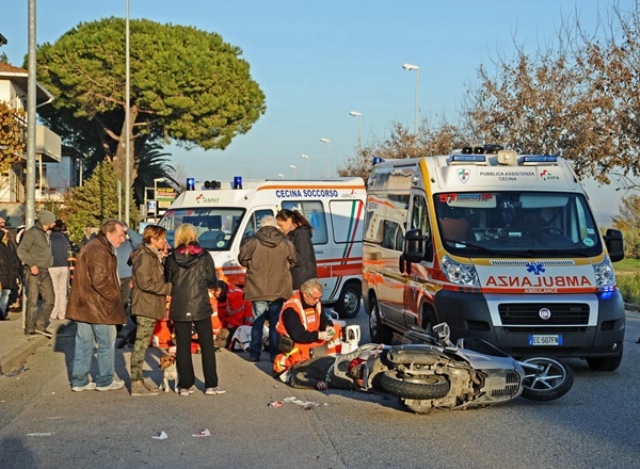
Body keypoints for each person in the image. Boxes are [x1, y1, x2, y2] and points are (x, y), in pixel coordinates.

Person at [66, 219, 128, 392]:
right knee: (106, 343)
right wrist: (115, 298)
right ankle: (105, 380)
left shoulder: (93, 246)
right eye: (120, 235)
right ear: (109, 233)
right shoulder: (99, 250)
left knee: (84, 343)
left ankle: (79, 381)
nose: (123, 239)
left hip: (84, 305)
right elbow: (100, 281)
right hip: (100, 307)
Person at [165, 223, 225, 396]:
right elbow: (211, 279)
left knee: (183, 345)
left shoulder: (172, 258)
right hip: (200, 303)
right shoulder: (204, 255)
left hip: (180, 304)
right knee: (207, 345)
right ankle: (211, 385)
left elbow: (167, 280)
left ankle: (185, 385)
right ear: (194, 235)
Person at [239, 215, 296, 362]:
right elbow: (293, 260)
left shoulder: (252, 241)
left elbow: (242, 259)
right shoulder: (285, 241)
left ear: (261, 225)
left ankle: (254, 353)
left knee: (257, 322)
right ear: (275, 225)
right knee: (274, 322)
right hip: (278, 288)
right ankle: (274, 353)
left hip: (257, 287)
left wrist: (252, 265)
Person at [129, 225, 172, 397]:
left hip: (149, 304)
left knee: (142, 344)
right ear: (152, 239)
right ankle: (136, 382)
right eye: (161, 238)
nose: (164, 241)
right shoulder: (145, 256)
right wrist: (168, 288)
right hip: (145, 305)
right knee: (140, 345)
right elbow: (145, 283)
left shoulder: (152, 254)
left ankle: (139, 381)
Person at [273, 278, 338, 377]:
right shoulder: (291, 308)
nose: (318, 300)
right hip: (297, 344)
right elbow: (298, 336)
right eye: (315, 298)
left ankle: (334, 361)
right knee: (302, 370)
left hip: (312, 338)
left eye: (319, 297)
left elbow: (323, 319)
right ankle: (286, 363)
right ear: (305, 294)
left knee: (337, 329)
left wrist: (328, 326)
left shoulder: (316, 302)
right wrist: (319, 335)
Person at [16, 210, 57, 338]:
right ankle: (29, 328)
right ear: (47, 221)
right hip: (33, 270)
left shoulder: (45, 233)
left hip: (45, 270)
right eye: (53, 221)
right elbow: (21, 250)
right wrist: (31, 264)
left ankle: (40, 324)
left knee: (50, 299)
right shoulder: (33, 233)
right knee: (33, 300)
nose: (55, 223)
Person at [276, 209, 318, 290]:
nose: (280, 229)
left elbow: (301, 257)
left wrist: (285, 259)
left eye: (281, 225)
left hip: (302, 280)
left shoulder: (301, 234)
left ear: (289, 221)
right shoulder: (292, 235)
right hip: (298, 278)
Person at [115, 224, 143, 338]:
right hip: (113, 276)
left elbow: (139, 241)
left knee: (124, 303)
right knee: (115, 303)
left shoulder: (129, 243)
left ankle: (119, 328)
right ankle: (114, 329)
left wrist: (127, 230)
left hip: (126, 277)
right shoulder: (112, 242)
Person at [211, 280, 253, 348]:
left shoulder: (235, 295)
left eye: (217, 291)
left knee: (228, 337)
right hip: (237, 323)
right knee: (224, 335)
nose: (215, 293)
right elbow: (222, 315)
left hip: (245, 324)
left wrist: (227, 329)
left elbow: (237, 317)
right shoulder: (223, 296)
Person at [49, 219, 70, 321]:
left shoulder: (49, 239)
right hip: (64, 265)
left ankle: (53, 313)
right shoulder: (65, 238)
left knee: (54, 291)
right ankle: (62, 313)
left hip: (52, 266)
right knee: (62, 291)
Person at [0, 228, 22, 321]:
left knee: (6, 293)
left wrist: (16, 274)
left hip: (8, 274)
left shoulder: (9, 246)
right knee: (4, 293)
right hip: (4, 274)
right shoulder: (5, 246)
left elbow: (14, 261)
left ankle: (2, 314)